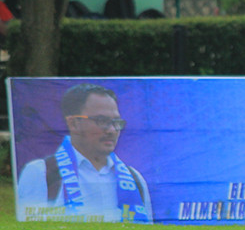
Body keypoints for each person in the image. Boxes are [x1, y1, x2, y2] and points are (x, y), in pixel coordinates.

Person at [17, 83, 153, 222]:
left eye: (116, 122)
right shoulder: (41, 172)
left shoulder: (134, 178)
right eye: (102, 121)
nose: (112, 130)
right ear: (74, 124)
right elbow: (30, 229)